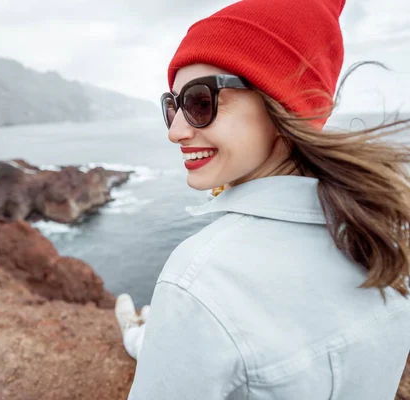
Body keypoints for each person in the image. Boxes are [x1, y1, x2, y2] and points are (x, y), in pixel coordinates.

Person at [114, 0, 410, 398]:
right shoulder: (384, 239)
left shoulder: (201, 279)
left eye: (200, 102)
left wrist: (173, 325)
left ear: (279, 105)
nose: (176, 131)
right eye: (173, 106)